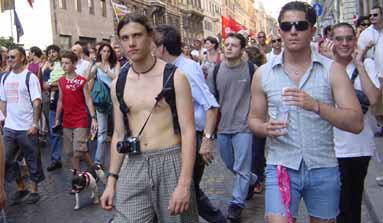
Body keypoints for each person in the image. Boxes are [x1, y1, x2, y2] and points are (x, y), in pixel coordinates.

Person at [248, 2, 364, 222]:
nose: (293, 31)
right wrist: (264, 128)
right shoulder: (263, 74)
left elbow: (356, 122)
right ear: (279, 30)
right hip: (281, 165)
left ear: (312, 29)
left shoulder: (333, 71)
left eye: (300, 25)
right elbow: (253, 120)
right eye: (287, 26)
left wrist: (317, 106)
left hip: (322, 167)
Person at [100, 13, 198, 222]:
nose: (131, 43)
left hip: (170, 161)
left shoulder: (175, 77)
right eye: (125, 38)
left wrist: (184, 184)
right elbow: (118, 134)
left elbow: (189, 132)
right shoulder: (118, 83)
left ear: (150, 37)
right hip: (134, 163)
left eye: (137, 35)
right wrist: (111, 181)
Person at [154, 24, 226, 223]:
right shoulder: (169, 68)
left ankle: (219, 220)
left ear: (162, 48)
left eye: (153, 45)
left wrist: (207, 140)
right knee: (185, 186)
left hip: (194, 137)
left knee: (188, 188)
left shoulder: (186, 69)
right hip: (178, 137)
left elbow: (211, 106)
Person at [206, 32, 258, 222]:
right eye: (226, 44)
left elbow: (262, 95)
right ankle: (252, 180)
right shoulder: (216, 71)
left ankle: (236, 204)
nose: (228, 48)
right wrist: (208, 133)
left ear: (242, 49)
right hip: (223, 126)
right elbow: (210, 100)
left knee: (241, 166)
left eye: (233, 45)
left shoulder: (252, 70)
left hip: (245, 126)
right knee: (230, 164)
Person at [332, 22, 380, 223]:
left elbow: (375, 99)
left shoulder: (366, 65)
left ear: (355, 40)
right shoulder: (324, 66)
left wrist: (359, 64)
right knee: (333, 205)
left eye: (349, 38)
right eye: (339, 38)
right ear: (332, 41)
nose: (344, 43)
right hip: (329, 147)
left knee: (352, 204)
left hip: (358, 147)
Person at [0, 46, 45, 205]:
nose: (9, 60)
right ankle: (21, 188)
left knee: (32, 158)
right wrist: (3, 119)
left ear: (22, 58)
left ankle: (34, 190)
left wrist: (34, 123)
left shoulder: (30, 77)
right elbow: (3, 100)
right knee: (7, 160)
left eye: (13, 57)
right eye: (8, 57)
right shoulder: (5, 77)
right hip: (10, 127)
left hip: (27, 127)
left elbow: (37, 102)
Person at [54, 51, 97, 172]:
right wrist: (57, 119)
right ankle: (77, 176)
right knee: (70, 152)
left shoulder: (82, 81)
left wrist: (93, 117)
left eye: (67, 63)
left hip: (81, 118)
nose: (64, 66)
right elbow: (60, 101)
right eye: (62, 63)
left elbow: (88, 99)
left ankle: (92, 168)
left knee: (79, 150)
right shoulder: (61, 81)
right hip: (67, 119)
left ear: (74, 64)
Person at [88, 43, 119, 165]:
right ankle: (98, 162)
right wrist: (92, 63)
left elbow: (116, 78)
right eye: (103, 51)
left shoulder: (115, 64)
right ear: (99, 52)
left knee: (119, 129)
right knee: (101, 132)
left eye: (108, 51)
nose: (106, 53)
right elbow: (87, 77)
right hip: (102, 100)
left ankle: (119, 159)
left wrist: (104, 69)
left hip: (115, 99)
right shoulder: (97, 64)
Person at [42, 44, 64, 171]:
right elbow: (45, 85)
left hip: (66, 102)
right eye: (49, 52)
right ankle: (56, 159)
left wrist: (53, 85)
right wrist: (53, 85)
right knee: (53, 131)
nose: (51, 54)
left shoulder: (63, 63)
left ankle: (78, 155)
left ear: (58, 53)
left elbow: (65, 80)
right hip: (53, 104)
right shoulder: (47, 68)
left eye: (54, 52)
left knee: (69, 132)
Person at [358, 6, 383, 74]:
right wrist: (366, 48)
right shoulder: (365, 34)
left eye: (375, 15)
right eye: (370, 15)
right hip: (373, 72)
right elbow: (359, 55)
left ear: (382, 16)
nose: (372, 17)